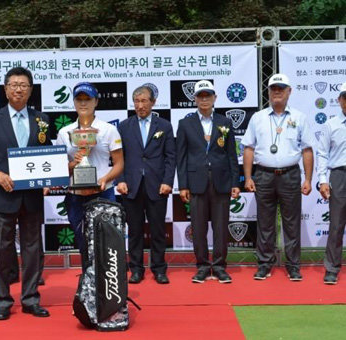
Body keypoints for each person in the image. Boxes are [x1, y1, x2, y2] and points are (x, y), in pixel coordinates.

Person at [0, 67, 51, 320]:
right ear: (6, 89)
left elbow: (45, 154)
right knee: (2, 250)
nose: (19, 89)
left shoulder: (42, 119)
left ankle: (31, 299)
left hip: (31, 196)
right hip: (3, 195)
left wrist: (50, 174)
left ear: (30, 90)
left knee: (33, 250)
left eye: (24, 85)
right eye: (14, 84)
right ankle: (3, 301)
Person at [242, 73, 313, 281]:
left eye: (281, 88)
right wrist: (248, 177)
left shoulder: (299, 117)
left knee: (292, 223)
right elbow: (248, 148)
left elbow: (307, 149)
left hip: (290, 175)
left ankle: (293, 265)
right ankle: (265, 264)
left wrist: (308, 179)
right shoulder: (258, 117)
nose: (277, 92)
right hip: (263, 175)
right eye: (274, 89)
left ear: (289, 91)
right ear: (269, 92)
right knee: (265, 223)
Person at [176, 80, 240, 284]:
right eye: (200, 96)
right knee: (199, 227)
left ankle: (220, 266)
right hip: (196, 182)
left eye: (208, 95)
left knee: (221, 227)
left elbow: (232, 155)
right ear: (194, 99)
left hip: (221, 181)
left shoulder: (225, 122)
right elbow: (181, 157)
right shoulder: (185, 124)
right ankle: (202, 266)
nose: (204, 99)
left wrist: (235, 183)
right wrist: (183, 185)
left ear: (215, 98)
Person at [117, 85, 176, 284]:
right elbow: (119, 158)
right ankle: (136, 269)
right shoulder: (124, 126)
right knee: (134, 231)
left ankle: (159, 269)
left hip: (157, 185)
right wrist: (121, 180)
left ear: (153, 102)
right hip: (131, 186)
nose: (140, 105)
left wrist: (168, 181)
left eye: (144, 101)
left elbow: (170, 157)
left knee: (158, 230)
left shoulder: (164, 126)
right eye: (137, 101)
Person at [56, 82, 124, 254]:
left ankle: (107, 279)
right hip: (75, 196)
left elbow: (119, 164)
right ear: (74, 102)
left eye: (88, 99)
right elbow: (58, 169)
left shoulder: (109, 130)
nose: (83, 103)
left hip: (103, 193)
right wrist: (73, 163)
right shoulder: (65, 132)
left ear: (96, 102)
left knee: (107, 243)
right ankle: (88, 277)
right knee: (82, 242)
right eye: (79, 99)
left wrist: (105, 179)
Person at [317, 82, 346, 285]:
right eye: (345, 97)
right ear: (339, 100)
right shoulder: (331, 124)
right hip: (339, 175)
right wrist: (322, 181)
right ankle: (332, 268)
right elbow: (322, 154)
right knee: (336, 225)